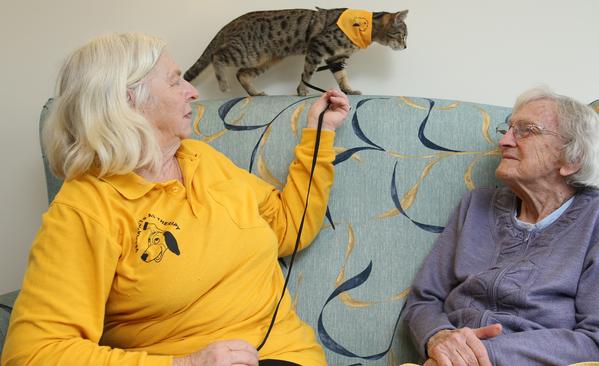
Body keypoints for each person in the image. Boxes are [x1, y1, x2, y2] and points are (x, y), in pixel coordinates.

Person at [1, 33, 350, 366]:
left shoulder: (201, 159)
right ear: (128, 100)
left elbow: (290, 226)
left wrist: (318, 135)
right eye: (175, 81)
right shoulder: (86, 208)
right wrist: (185, 362)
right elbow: (32, 354)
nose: (193, 92)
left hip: (285, 354)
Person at [404, 86, 599, 366]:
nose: (504, 141)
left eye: (526, 130)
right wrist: (440, 338)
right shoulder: (475, 205)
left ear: (571, 159)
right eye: (508, 128)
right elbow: (423, 300)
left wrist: (481, 355)